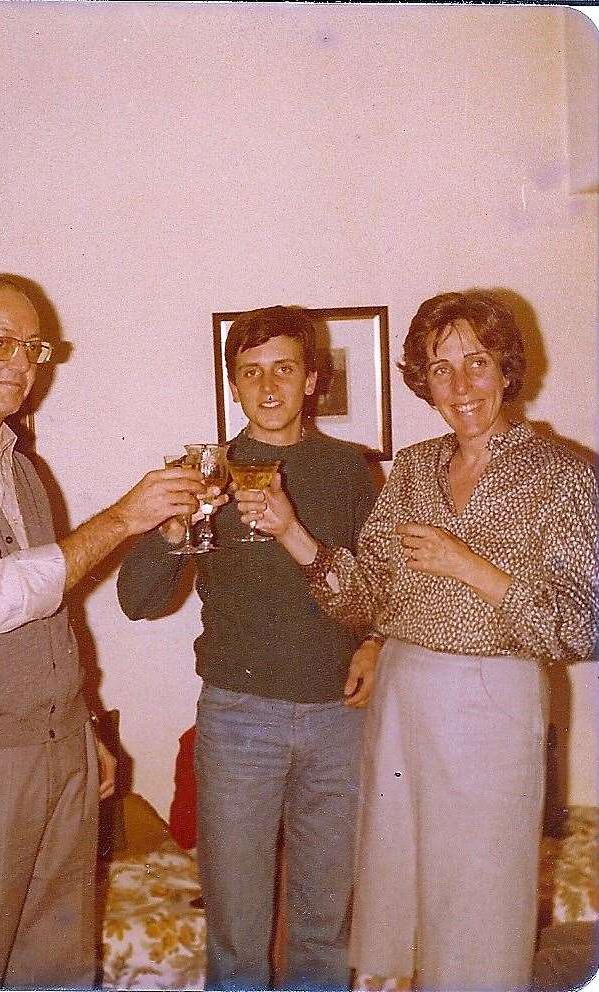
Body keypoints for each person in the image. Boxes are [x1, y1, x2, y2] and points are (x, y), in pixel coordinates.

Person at [239, 291, 599, 992]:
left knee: (481, 904)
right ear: (422, 381)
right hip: (404, 697)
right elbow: (366, 595)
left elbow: (582, 622)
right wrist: (290, 532)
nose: (460, 385)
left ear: (505, 370)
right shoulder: (411, 468)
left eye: (477, 363)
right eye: (440, 369)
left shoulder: (564, 476)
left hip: (494, 701)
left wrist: (470, 568)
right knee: (404, 900)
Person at [0, 272, 204, 989]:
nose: (22, 364)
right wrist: (122, 519)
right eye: (0, 342)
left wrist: (87, 722)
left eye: (34, 348)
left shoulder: (24, 469)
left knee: (59, 966)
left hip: (60, 751)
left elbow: (55, 615)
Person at [117, 305, 380, 992]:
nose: (268, 388)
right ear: (233, 386)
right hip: (238, 722)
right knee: (236, 936)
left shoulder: (350, 470)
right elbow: (136, 600)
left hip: (338, 723)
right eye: (251, 372)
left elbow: (382, 590)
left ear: (313, 381)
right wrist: (174, 529)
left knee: (325, 931)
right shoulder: (202, 471)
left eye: (284, 369)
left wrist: (378, 642)